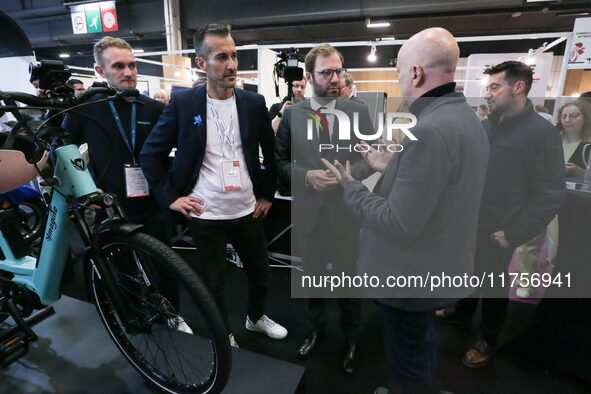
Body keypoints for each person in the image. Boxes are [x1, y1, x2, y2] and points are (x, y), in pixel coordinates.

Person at [324, 28, 489, 392]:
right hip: (436, 267)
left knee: (408, 367)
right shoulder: (464, 118)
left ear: (415, 73)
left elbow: (398, 222)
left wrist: (351, 188)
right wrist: (393, 166)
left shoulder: (429, 130)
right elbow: (443, 186)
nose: (399, 80)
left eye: (399, 71)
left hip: (411, 275)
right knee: (419, 347)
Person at [140, 24, 287, 347]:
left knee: (261, 275)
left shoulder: (252, 103)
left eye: (234, 56)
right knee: (213, 283)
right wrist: (172, 199)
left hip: (247, 209)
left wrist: (266, 193)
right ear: (201, 63)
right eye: (222, 57)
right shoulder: (184, 103)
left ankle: (255, 317)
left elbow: (271, 152)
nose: (232, 65)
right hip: (205, 212)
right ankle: (225, 334)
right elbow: (150, 154)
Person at [440, 61, 565, 368]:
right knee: (467, 271)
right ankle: (462, 312)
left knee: (494, 285)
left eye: (495, 87)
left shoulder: (542, 134)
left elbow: (550, 193)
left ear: (518, 87)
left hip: (501, 228)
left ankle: (488, 338)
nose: (488, 93)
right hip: (472, 221)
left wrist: (514, 232)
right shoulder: (486, 126)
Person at [275, 43, 375, 374]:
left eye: (339, 71)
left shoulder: (358, 111)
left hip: (345, 213)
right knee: (313, 280)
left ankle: (352, 340)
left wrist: (347, 176)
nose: (335, 78)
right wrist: (305, 177)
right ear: (309, 76)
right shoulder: (292, 113)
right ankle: (315, 330)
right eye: (326, 72)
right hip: (308, 215)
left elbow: (370, 159)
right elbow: (279, 160)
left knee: (348, 283)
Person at [62, 36, 170, 242]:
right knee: (119, 269)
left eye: (132, 65)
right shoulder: (85, 108)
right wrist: (83, 187)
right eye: (118, 67)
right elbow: (62, 148)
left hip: (155, 205)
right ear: (100, 71)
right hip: (110, 205)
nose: (129, 73)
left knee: (164, 269)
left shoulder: (156, 109)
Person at [558, 99, 591, 176]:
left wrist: (582, 173)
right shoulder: (552, 140)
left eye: (574, 116)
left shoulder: (588, 145)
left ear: (586, 118)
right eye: (564, 116)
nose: (567, 120)